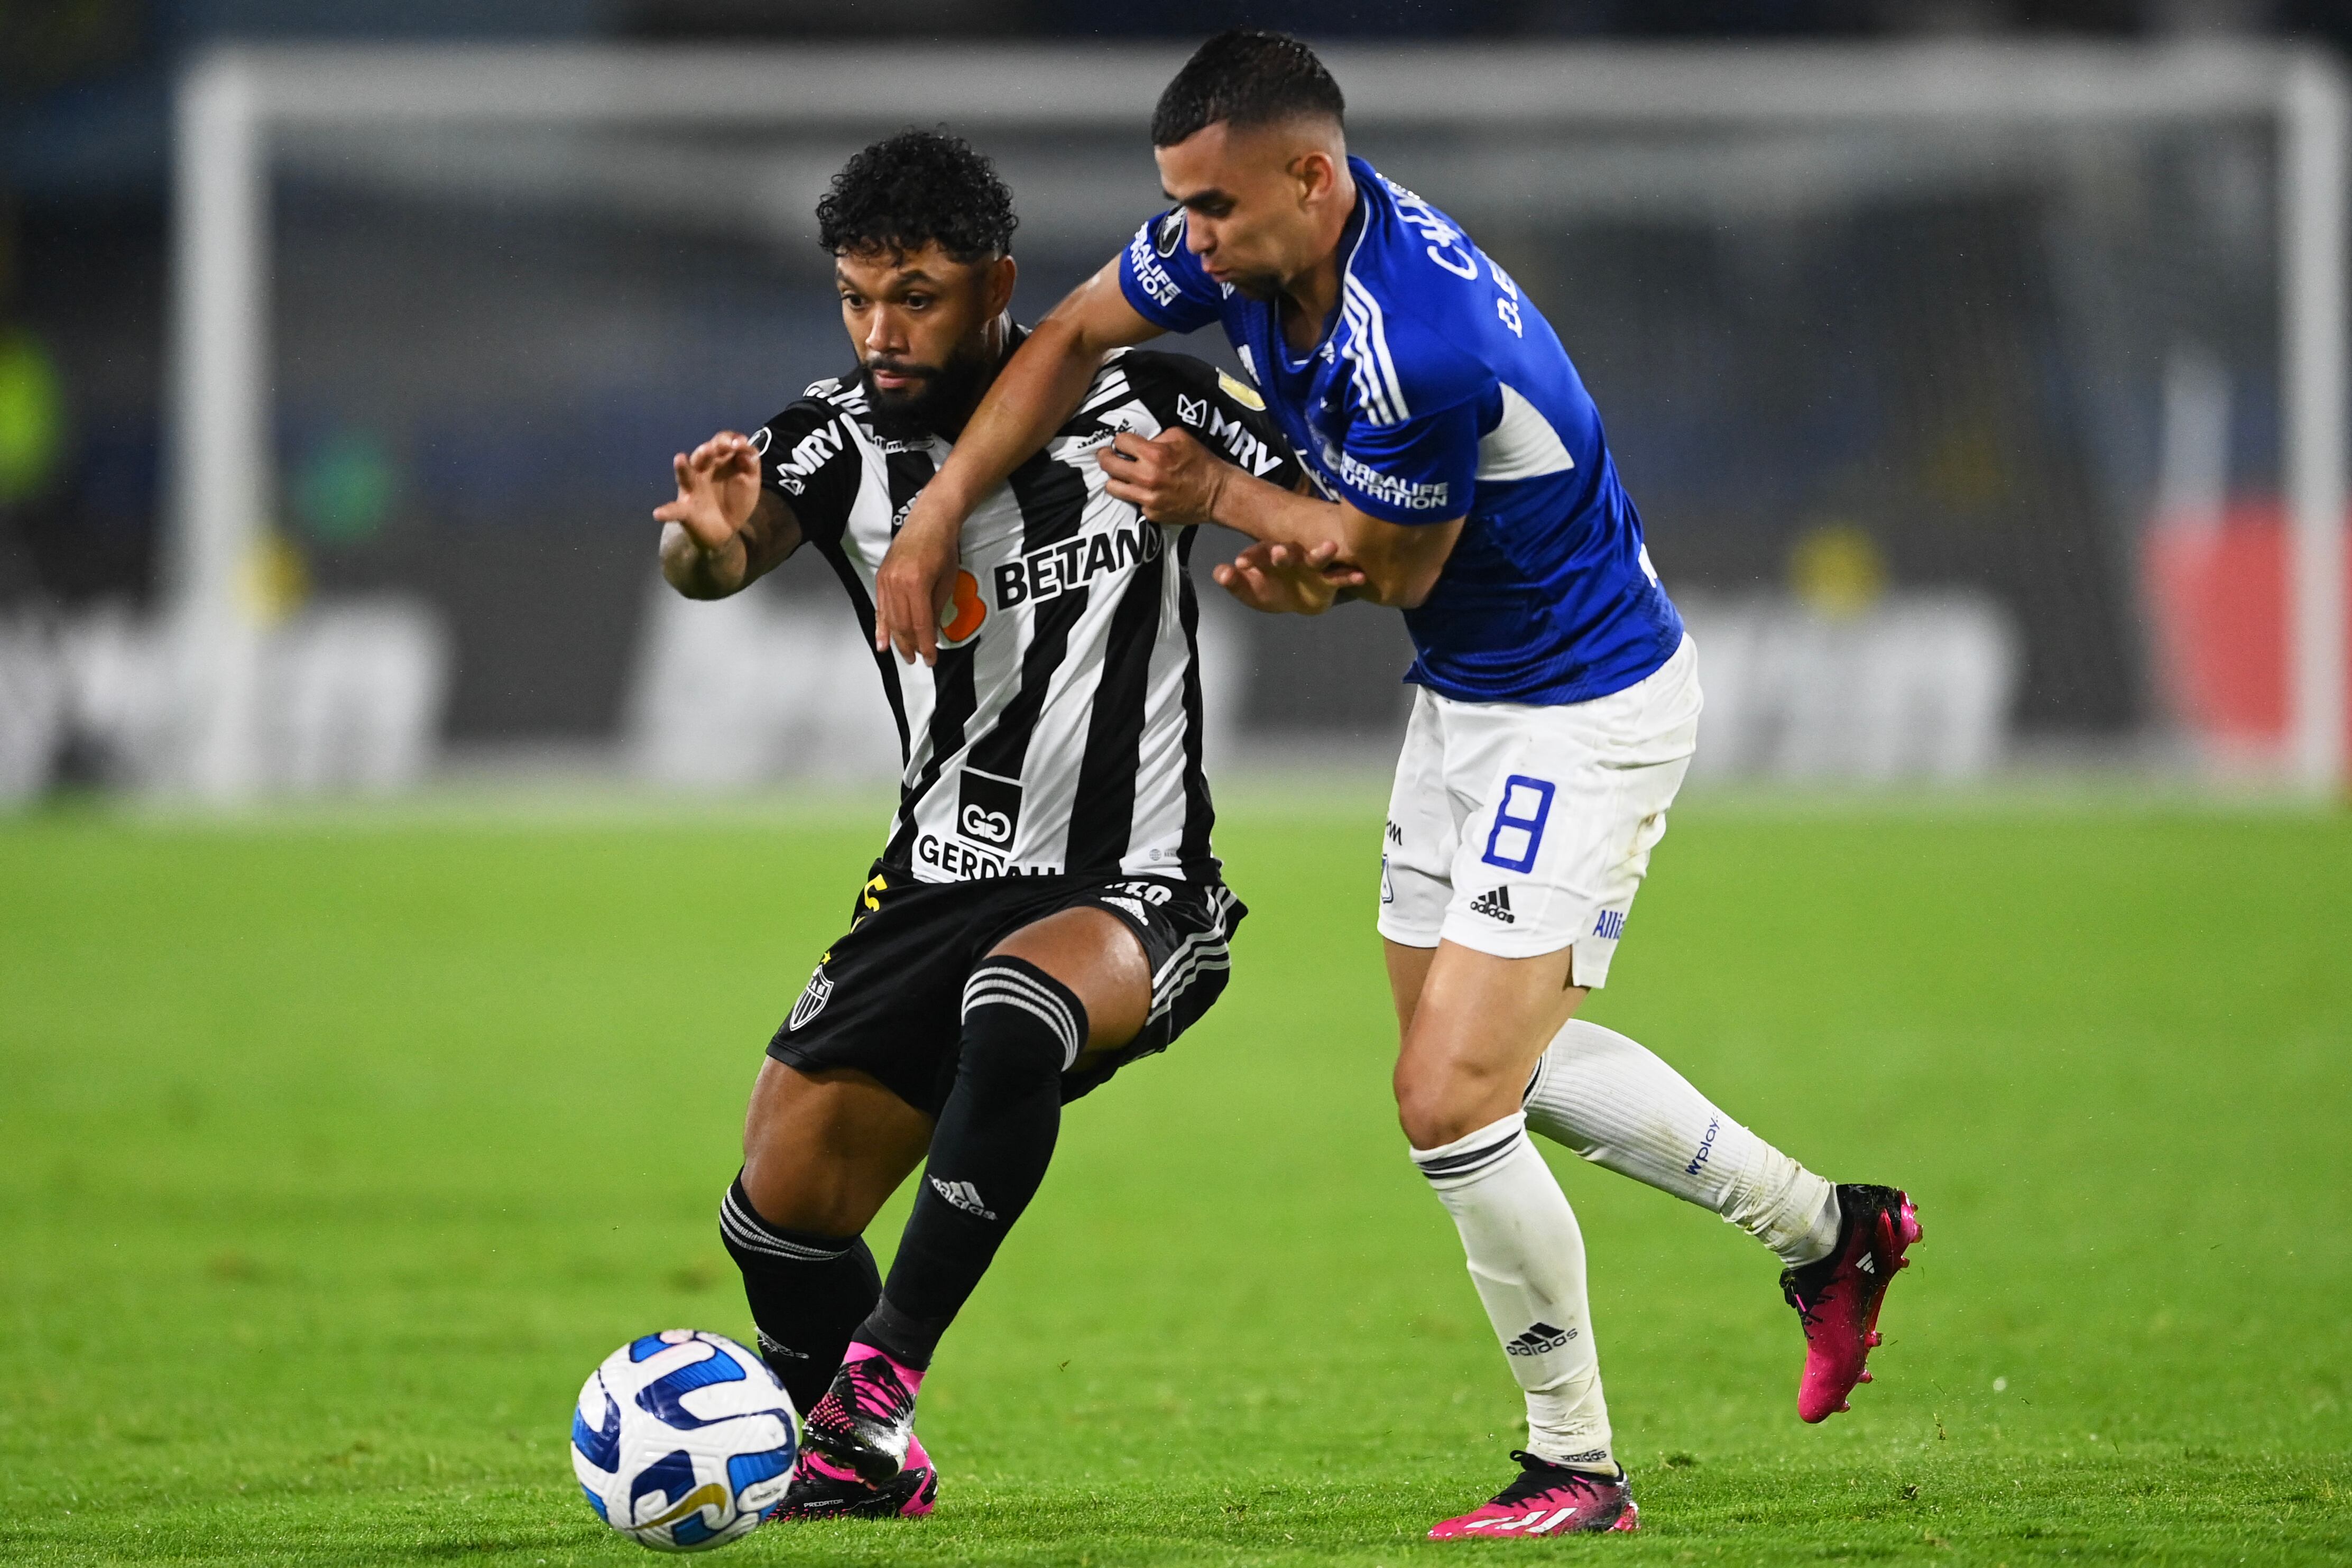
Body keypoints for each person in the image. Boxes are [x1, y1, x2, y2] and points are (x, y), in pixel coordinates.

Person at [869, 32, 1921, 1539]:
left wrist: (1216, 493)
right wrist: (937, 514)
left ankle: (1576, 1467)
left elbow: (1389, 559)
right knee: (1478, 1067)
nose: (1189, 237)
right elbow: (1073, 337)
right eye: (1179, 203)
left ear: (1312, 177)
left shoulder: (1414, 341)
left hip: (1579, 710)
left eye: (1214, 206)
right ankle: (1830, 1232)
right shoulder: (1246, 248)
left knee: (1447, 1096)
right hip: (1467, 698)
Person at [654, 128, 1298, 1523]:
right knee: (779, 1217)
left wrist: (1248, 514)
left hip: (1135, 884)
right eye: (856, 298)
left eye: (917, 297)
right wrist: (699, 541)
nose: (880, 333)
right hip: (935, 877)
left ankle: (873, 1390)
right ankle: (866, 1474)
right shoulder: (837, 436)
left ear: (998, 284)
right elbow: (719, 557)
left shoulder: (1151, 398)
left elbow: (1335, 505)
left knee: (1017, 1009)